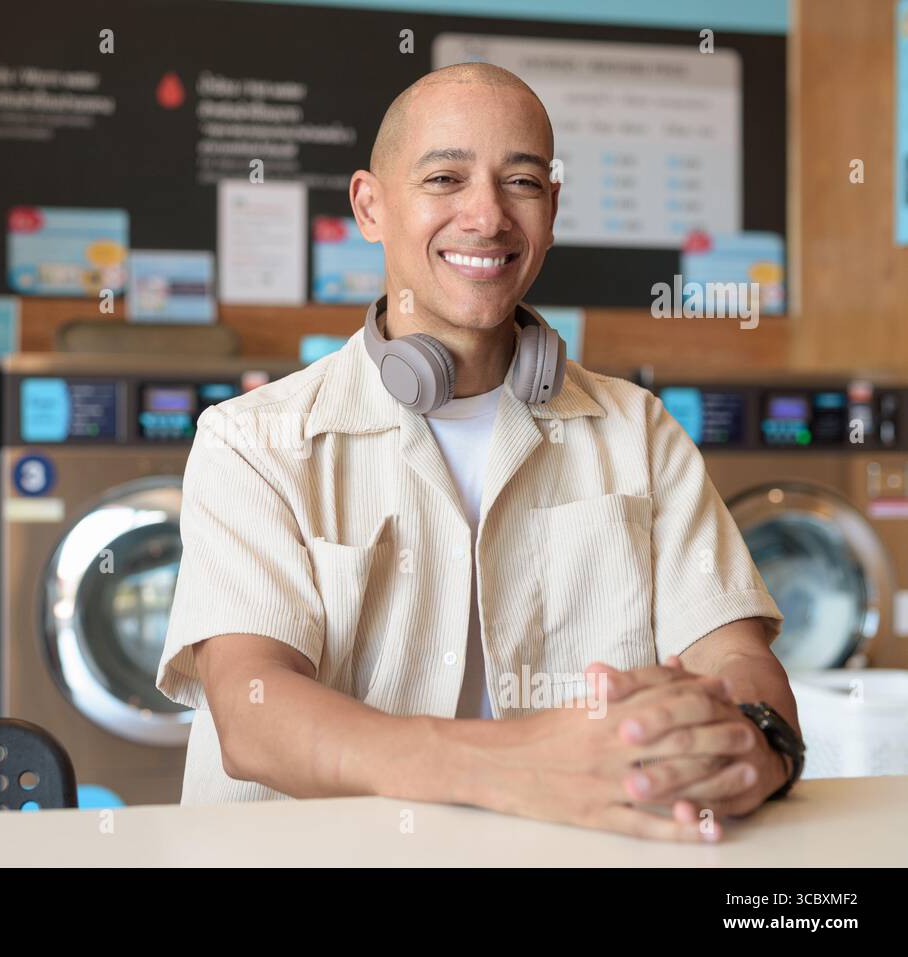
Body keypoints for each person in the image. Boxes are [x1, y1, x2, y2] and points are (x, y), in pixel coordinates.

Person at [155, 63, 803, 842]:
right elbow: (254, 713)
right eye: (444, 178)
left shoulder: (639, 431)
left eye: (521, 182)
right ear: (370, 205)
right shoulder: (250, 440)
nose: (487, 216)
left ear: (552, 210)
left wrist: (753, 742)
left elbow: (735, 654)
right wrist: (525, 763)